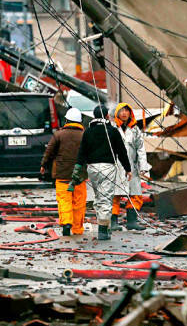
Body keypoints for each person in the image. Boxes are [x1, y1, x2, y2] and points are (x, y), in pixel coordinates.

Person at [69, 105, 132, 241]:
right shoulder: (112, 131)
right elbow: (122, 151)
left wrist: (78, 168)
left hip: (92, 169)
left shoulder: (88, 132)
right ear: (107, 116)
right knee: (106, 198)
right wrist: (128, 169)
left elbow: (82, 152)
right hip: (108, 168)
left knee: (99, 197)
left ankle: (104, 226)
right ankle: (103, 230)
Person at [41, 107, 86, 236]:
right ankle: (77, 229)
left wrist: (44, 165)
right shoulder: (84, 135)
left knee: (64, 200)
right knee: (79, 202)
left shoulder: (58, 135)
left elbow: (49, 151)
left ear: (66, 120)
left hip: (62, 175)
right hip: (80, 176)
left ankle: (66, 223)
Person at [111, 103, 151, 231]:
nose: (124, 113)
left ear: (130, 113)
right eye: (121, 111)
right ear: (117, 113)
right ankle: (113, 222)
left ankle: (132, 221)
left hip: (132, 167)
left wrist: (143, 166)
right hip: (116, 167)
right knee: (114, 195)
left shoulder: (135, 129)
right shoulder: (112, 128)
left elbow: (141, 149)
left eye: (126, 111)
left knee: (135, 193)